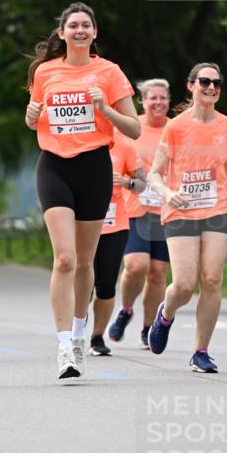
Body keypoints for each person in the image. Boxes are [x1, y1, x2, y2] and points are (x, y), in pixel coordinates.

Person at [25, 2, 140, 380]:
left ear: (94, 33)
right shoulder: (45, 72)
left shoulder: (109, 72)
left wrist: (105, 109)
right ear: (61, 33)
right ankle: (63, 346)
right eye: (72, 25)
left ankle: (79, 334)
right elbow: (34, 117)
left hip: (94, 167)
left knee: (85, 262)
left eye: (85, 25)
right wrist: (30, 116)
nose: (79, 30)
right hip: (54, 166)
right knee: (64, 259)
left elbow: (134, 128)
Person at [147, 62, 227, 372]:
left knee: (212, 280)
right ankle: (165, 314)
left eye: (217, 83)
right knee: (184, 285)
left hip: (217, 208)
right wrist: (168, 193)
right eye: (204, 81)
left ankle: (200, 351)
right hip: (181, 210)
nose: (211, 87)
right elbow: (154, 174)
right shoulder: (176, 127)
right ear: (191, 86)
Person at [109, 79, 171, 349]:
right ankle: (125, 309)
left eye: (162, 98)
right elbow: (115, 157)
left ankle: (149, 327)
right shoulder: (130, 128)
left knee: (157, 271)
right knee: (136, 265)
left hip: (165, 210)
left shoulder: (176, 129)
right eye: (152, 98)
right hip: (134, 206)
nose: (158, 102)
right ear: (142, 102)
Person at [90, 133, 146, 355]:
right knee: (83, 284)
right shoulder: (81, 140)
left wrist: (127, 182)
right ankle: (74, 330)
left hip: (115, 224)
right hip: (83, 221)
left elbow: (142, 184)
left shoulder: (125, 146)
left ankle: (97, 337)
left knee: (106, 285)